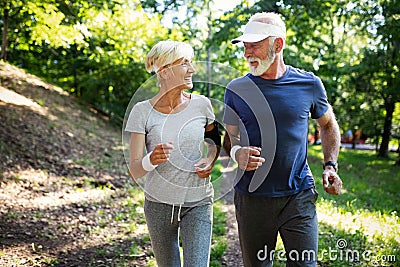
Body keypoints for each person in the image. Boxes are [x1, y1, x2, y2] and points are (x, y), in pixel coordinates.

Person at [222, 12, 342, 267]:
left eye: (254, 44)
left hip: (298, 196)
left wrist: (330, 165)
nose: (247, 53)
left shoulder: (309, 84)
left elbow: (329, 125)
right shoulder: (235, 89)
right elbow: (228, 138)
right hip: (251, 198)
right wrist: (237, 153)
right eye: (245, 46)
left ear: (278, 45)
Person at [125, 40, 221, 267]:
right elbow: (135, 169)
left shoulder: (202, 105)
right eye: (185, 63)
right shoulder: (142, 112)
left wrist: (209, 159)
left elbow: (214, 140)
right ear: (165, 71)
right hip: (158, 204)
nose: (192, 69)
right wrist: (151, 160)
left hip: (198, 201)